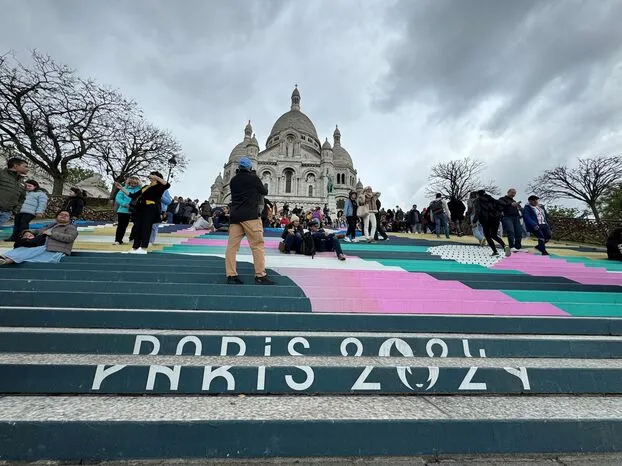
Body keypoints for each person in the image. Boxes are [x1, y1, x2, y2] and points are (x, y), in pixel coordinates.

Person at [225, 157, 274, 285]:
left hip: (235, 217)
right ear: (250, 168)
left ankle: (231, 275)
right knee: (257, 246)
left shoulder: (233, 180)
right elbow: (264, 191)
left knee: (232, 247)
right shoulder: (254, 179)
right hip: (251, 217)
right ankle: (260, 275)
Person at [116, 171, 170, 254]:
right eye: (151, 176)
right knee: (137, 227)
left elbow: (167, 185)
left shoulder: (160, 186)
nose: (150, 177)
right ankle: (135, 247)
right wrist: (122, 188)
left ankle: (143, 247)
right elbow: (133, 196)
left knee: (146, 227)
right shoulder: (146, 186)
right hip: (141, 208)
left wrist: (157, 178)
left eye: (152, 176)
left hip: (151, 208)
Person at [0, 210, 78, 265]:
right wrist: (27, 232)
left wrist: (52, 234)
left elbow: (70, 238)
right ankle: (6, 260)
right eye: (61, 214)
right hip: (43, 249)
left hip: (55, 251)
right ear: (56, 217)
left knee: (29, 251)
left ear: (69, 219)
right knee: (24, 250)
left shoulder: (71, 227)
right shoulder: (51, 225)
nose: (63, 216)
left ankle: (6, 259)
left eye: (66, 215)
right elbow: (37, 231)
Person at [475, 190, 510, 257]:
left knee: (487, 236)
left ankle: (495, 251)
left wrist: (474, 221)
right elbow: (501, 204)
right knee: (494, 235)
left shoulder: (478, 201)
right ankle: (505, 246)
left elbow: (478, 211)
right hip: (495, 219)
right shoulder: (491, 198)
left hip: (486, 220)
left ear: (478, 195)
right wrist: (509, 204)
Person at [113, 176, 142, 245]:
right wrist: (125, 204)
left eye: (135, 183)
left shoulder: (139, 190)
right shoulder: (123, 189)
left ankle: (132, 238)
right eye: (131, 183)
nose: (133, 185)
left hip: (135, 210)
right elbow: (118, 198)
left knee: (137, 225)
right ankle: (118, 240)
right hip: (123, 210)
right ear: (128, 182)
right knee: (121, 226)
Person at [0, 157, 28, 226]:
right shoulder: (1, 174)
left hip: (6, 213)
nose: (27, 169)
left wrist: (14, 211)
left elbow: (22, 199)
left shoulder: (23, 183)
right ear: (16, 166)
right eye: (25, 166)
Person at [499, 188, 527, 253]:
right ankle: (511, 247)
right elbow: (502, 205)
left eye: (514, 193)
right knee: (511, 231)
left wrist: (519, 208)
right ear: (508, 192)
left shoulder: (514, 201)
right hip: (507, 217)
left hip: (516, 218)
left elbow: (519, 210)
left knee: (519, 232)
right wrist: (511, 204)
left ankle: (518, 247)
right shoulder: (502, 199)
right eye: (512, 192)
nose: (513, 194)